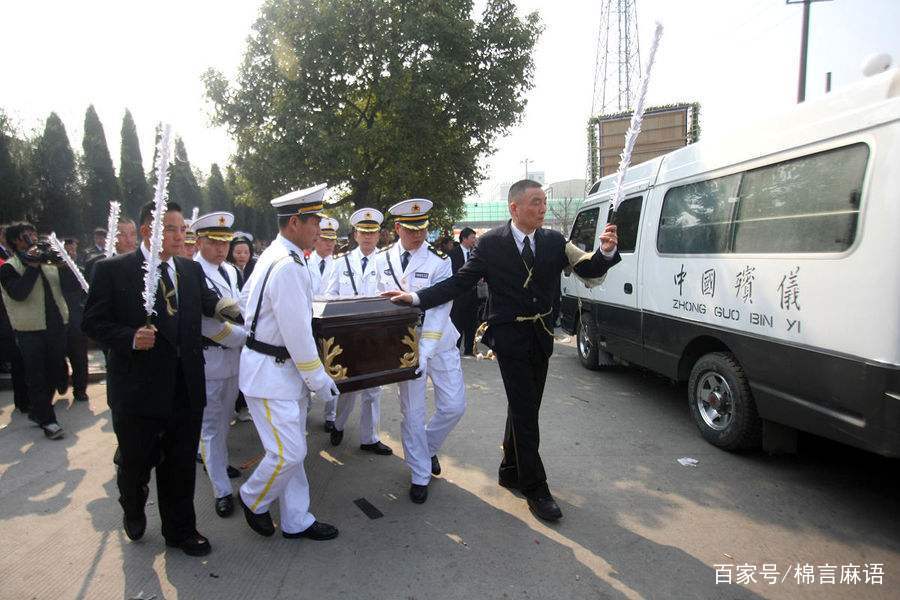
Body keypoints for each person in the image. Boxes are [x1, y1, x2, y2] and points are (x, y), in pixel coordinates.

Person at [385, 180, 620, 521]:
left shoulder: (555, 240)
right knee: (526, 411)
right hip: (509, 338)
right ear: (514, 207)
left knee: (525, 405)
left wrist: (607, 252)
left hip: (541, 335)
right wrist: (417, 298)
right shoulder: (491, 244)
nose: (542, 209)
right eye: (535, 203)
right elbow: (458, 283)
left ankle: (510, 468)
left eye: (544, 203)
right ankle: (535, 488)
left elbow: (589, 268)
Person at [82, 200, 234, 556]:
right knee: (135, 464)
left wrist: (240, 310)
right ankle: (133, 506)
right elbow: (91, 323)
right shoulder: (113, 270)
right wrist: (131, 338)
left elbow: (210, 302)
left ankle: (180, 530)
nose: (182, 236)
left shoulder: (188, 269)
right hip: (138, 391)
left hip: (185, 386)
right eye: (173, 228)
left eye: (184, 229)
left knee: (180, 465)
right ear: (150, 230)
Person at [238, 183, 339, 542]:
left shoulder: (279, 254)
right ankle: (252, 498)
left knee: (292, 449)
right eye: (315, 221)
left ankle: (297, 519)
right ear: (295, 221)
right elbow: (298, 334)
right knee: (289, 452)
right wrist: (319, 380)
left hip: (277, 371)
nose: (320, 229)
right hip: (272, 374)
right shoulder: (289, 265)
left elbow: (244, 301)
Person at [376, 199, 466, 504]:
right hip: (401, 346)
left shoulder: (440, 260)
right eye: (413, 230)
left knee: (454, 405)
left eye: (424, 228)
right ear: (398, 228)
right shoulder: (381, 259)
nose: (420, 235)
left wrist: (424, 351)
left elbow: (440, 306)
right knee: (412, 411)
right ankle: (419, 474)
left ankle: (424, 449)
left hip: (438, 342)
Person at [191, 212, 248, 518]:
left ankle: (218, 462)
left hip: (234, 360)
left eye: (225, 241)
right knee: (211, 425)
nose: (221, 248)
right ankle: (221, 490)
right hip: (211, 357)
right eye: (214, 242)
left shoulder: (230, 271)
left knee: (225, 418)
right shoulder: (192, 272)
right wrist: (243, 337)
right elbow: (204, 322)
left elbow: (239, 306)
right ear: (199, 241)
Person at [323, 209, 392, 455]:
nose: (367, 237)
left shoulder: (387, 260)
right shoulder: (340, 262)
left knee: (373, 388)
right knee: (347, 385)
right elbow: (329, 295)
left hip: (375, 333)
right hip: (347, 333)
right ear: (354, 234)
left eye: (372, 232)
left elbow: (392, 294)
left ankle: (369, 438)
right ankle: (338, 424)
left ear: (379, 235)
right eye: (363, 232)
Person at [0, 222, 69, 439]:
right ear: (15, 242)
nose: (31, 237)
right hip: (29, 329)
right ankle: (48, 420)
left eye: (32, 233)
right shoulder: (9, 268)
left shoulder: (49, 262)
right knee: (36, 374)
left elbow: (70, 286)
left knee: (57, 368)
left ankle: (40, 411)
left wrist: (63, 263)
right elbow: (19, 294)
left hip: (56, 324)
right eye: (24, 235)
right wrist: (32, 266)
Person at [307, 217, 339, 431]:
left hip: (330, 324)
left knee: (333, 368)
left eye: (332, 240)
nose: (329, 244)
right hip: (306, 322)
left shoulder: (339, 264)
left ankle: (331, 415)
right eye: (325, 239)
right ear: (316, 238)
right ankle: (305, 408)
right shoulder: (303, 260)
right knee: (305, 367)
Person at [59, 237, 89, 403]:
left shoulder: (80, 271)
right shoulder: (51, 271)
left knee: (79, 358)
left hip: (76, 320)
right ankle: (62, 379)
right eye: (67, 251)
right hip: (58, 321)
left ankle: (80, 389)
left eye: (73, 251)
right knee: (58, 357)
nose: (71, 254)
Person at [449, 227, 479, 356]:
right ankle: (454, 348)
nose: (474, 240)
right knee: (457, 322)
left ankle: (469, 349)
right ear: (464, 238)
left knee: (471, 322)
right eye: (472, 238)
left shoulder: (476, 253)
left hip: (473, 294)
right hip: (458, 295)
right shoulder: (453, 254)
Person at [85, 218, 138, 283]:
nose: (129, 240)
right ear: (112, 236)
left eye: (132, 234)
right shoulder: (94, 264)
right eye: (122, 235)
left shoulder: (145, 262)